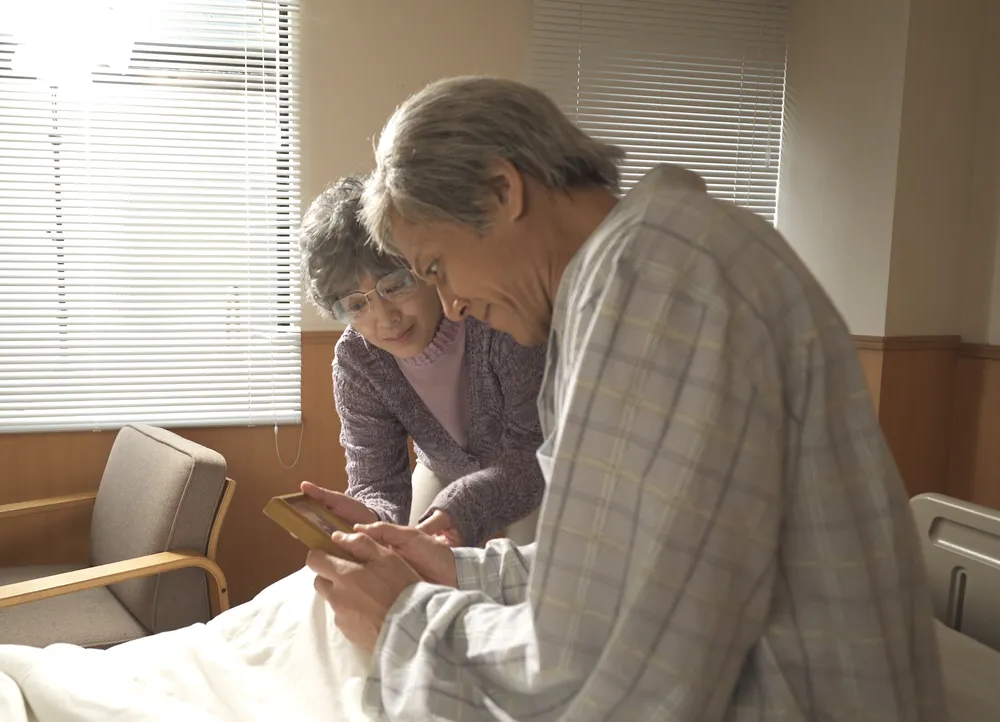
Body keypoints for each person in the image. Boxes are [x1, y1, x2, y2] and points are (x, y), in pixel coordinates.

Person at [305, 76, 947, 720]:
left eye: (435, 267)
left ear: (502, 191)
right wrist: (459, 572)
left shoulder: (655, 287)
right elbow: (625, 558)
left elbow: (607, 670)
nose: (451, 304)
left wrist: (403, 622)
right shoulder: (643, 266)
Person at [297, 174, 546, 547]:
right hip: (444, 469)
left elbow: (533, 452)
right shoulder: (357, 361)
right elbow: (376, 483)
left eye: (395, 285)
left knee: (536, 576)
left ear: (427, 267)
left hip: (540, 466)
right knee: (408, 563)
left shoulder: (494, 316)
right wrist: (369, 518)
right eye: (356, 304)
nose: (385, 319)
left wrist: (459, 509)